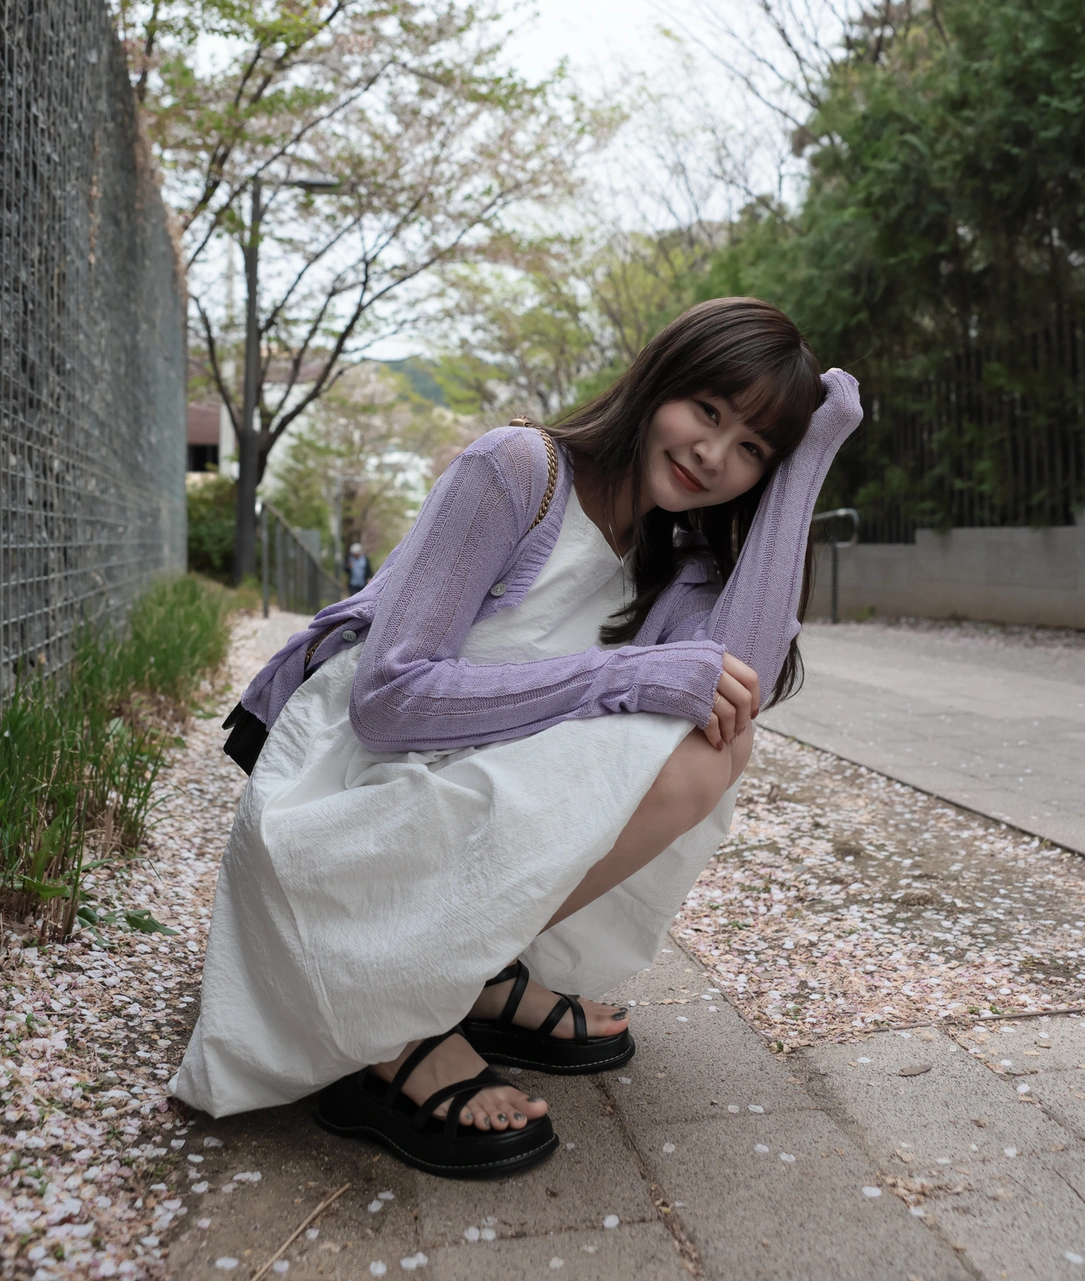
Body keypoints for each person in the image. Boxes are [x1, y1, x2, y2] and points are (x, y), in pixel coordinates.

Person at [171, 297, 861, 1180]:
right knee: (677, 729)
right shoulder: (519, 470)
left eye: (753, 449)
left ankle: (475, 968)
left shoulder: (674, 558)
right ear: (659, 382)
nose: (712, 453)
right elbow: (389, 699)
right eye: (707, 410)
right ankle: (392, 1025)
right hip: (346, 805)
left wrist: (809, 461)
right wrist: (618, 675)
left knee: (714, 747)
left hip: (445, 796)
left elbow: (738, 687)